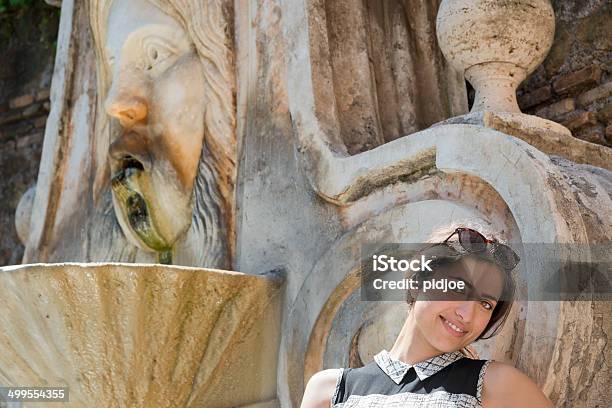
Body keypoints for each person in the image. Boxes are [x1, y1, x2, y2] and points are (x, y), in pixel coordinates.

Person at [300, 227, 553, 408]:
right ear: (420, 280)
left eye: (485, 304)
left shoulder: (497, 384)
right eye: (457, 288)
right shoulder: (330, 389)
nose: (467, 315)